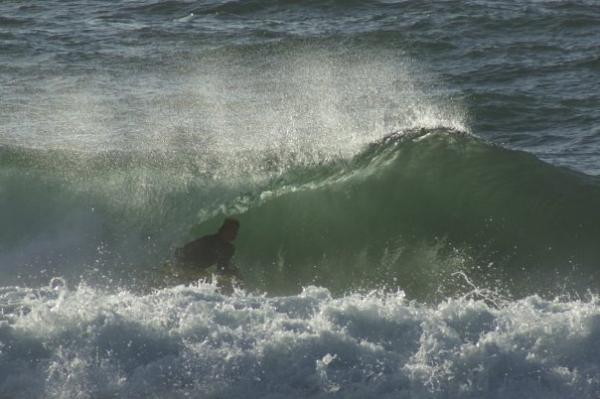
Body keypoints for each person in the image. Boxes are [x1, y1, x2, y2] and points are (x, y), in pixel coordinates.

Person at [175, 218, 240, 277]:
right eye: (233, 230)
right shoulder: (209, 240)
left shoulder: (229, 249)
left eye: (236, 231)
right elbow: (187, 249)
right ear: (224, 229)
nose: (235, 233)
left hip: (197, 269)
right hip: (186, 264)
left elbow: (222, 267)